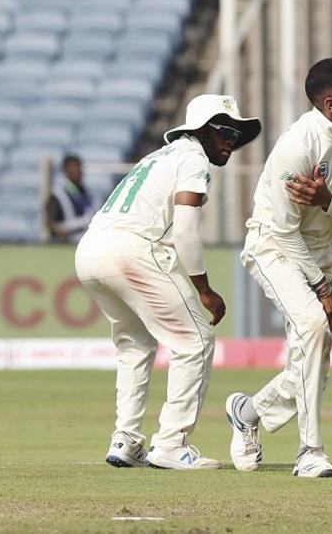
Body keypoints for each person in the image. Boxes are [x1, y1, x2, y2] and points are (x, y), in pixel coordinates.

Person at [75, 94, 261, 469]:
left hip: (90, 251)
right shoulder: (192, 158)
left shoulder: (156, 157)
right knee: (196, 340)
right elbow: (186, 230)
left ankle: (126, 440)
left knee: (134, 346)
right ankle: (172, 443)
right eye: (224, 130)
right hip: (133, 250)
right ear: (200, 130)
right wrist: (204, 290)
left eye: (236, 134)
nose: (231, 140)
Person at [225, 55, 332, 478]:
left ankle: (247, 412)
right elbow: (285, 233)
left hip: (318, 252)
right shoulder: (298, 146)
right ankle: (310, 451)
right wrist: (323, 290)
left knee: (311, 367)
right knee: (313, 326)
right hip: (273, 247)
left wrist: (328, 201)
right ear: (330, 105)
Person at [46, 154, 95, 243]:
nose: (78, 171)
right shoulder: (58, 194)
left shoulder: (85, 192)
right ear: (65, 171)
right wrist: (61, 233)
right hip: (68, 241)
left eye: (79, 167)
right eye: (73, 168)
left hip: (85, 239)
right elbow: (49, 222)